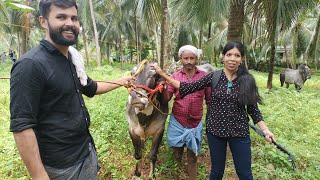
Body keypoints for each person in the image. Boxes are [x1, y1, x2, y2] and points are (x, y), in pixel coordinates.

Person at [10, 0, 134, 179]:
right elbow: (22, 126)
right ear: (43, 21)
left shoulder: (72, 59)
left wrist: (121, 81)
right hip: (61, 167)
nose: (70, 23)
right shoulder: (30, 65)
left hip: (85, 150)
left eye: (74, 18)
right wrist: (39, 175)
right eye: (61, 17)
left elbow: (91, 88)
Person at [152, 41, 275, 179]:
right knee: (216, 172)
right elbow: (187, 87)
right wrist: (162, 74)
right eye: (229, 54)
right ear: (223, 57)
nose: (232, 59)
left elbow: (253, 109)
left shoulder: (247, 80)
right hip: (215, 133)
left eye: (237, 55)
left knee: (245, 174)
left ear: (242, 59)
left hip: (239, 133)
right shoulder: (213, 77)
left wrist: (265, 130)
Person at [162, 45, 210, 179]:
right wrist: (163, 87)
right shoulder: (175, 76)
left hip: (195, 123)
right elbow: (166, 99)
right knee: (177, 154)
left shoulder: (204, 77)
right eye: (186, 58)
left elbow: (209, 100)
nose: (189, 61)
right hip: (178, 121)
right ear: (181, 59)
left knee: (192, 157)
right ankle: (177, 174)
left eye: (192, 58)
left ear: (197, 59)